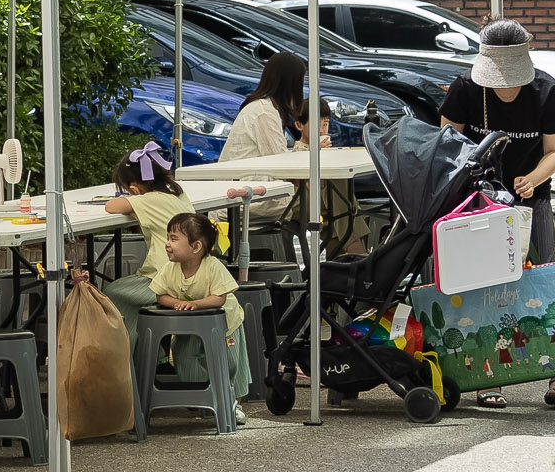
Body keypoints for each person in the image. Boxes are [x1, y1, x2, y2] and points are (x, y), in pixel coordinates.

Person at [437, 19, 555, 409]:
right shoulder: (466, 88)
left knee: (547, 281)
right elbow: (447, 143)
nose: (503, 87)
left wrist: (531, 179)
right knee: (484, 288)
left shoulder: (546, 90)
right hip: (479, 203)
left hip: (533, 200)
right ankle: (485, 376)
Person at [227, 51, 363, 254]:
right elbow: (284, 167)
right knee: (336, 201)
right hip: (255, 198)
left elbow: (281, 162)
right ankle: (354, 258)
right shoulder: (264, 112)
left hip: (255, 190)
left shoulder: (259, 108)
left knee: (336, 198)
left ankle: (349, 260)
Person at [101, 142, 196, 343]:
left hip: (164, 278)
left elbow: (111, 206)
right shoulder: (179, 195)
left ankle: (127, 360)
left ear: (134, 187)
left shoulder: (149, 200)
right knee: (128, 294)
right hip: (191, 276)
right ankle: (152, 354)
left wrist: (132, 196)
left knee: (111, 293)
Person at [150, 211, 245, 382]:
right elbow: (161, 295)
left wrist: (196, 304)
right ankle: (203, 391)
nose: (167, 244)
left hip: (224, 324)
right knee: (184, 357)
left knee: (229, 364)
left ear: (196, 247)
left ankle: (231, 400)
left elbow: (219, 299)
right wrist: (176, 303)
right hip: (191, 324)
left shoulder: (212, 266)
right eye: (167, 238)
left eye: (173, 239)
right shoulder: (170, 268)